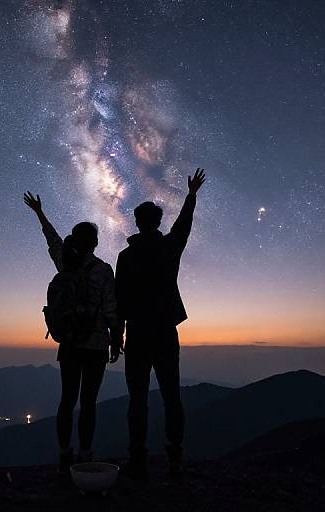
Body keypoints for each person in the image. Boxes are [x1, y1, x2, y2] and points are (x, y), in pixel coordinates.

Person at [115, 168, 206, 478]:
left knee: (137, 398)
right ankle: (174, 457)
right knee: (172, 396)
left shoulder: (126, 257)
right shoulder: (169, 248)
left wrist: (117, 337)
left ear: (137, 223)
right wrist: (191, 196)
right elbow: (183, 226)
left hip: (138, 334)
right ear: (157, 222)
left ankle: (137, 459)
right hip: (166, 332)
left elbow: (120, 300)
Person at [23, 191, 123, 474]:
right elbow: (111, 308)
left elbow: (52, 239)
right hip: (95, 345)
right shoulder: (103, 270)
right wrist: (117, 339)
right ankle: (86, 453)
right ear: (95, 243)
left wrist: (39, 213)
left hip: (68, 342)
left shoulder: (65, 264)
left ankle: (64, 453)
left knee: (67, 399)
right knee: (89, 401)